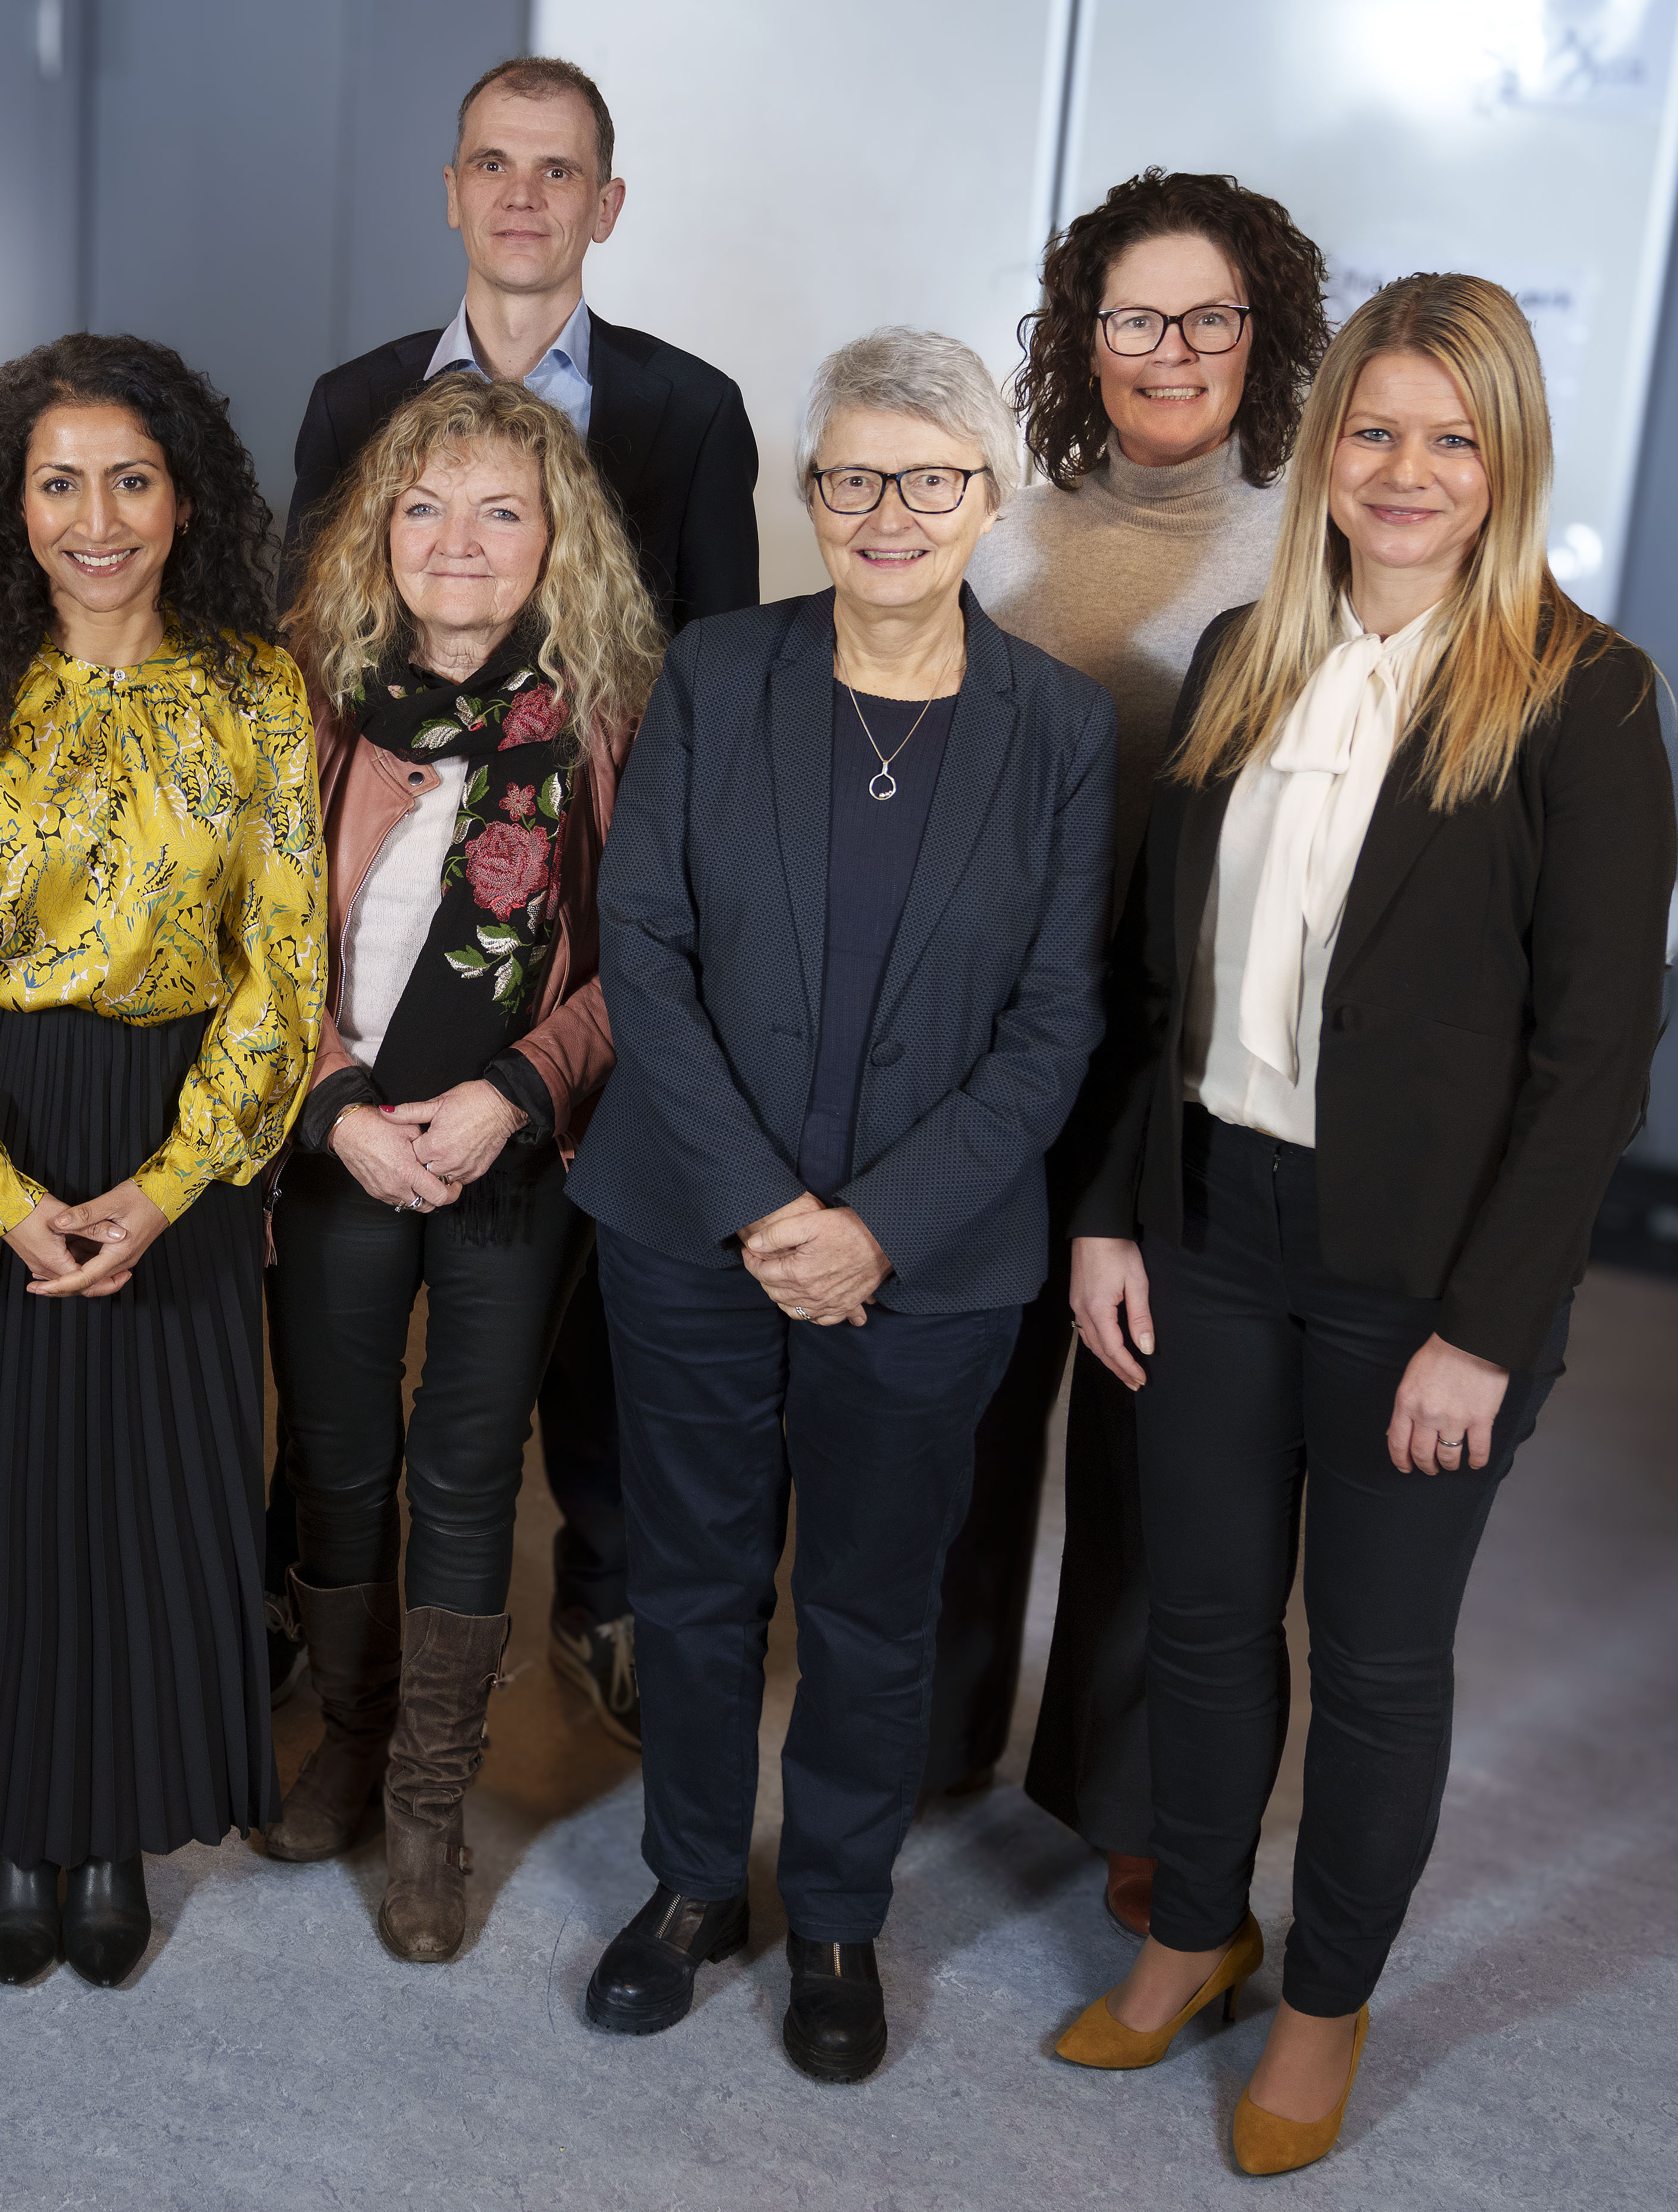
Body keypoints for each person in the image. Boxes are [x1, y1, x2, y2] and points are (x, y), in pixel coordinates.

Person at [1051, 274, 1672, 2178]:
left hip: (1424, 1273)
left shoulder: (1582, 694)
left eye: (1452, 439)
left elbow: (1595, 1058)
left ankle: (1325, 2005)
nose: (1407, 472)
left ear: (1509, 462)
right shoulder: (1247, 653)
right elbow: (1158, 985)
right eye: (1376, 432)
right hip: (1211, 1221)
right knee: (1207, 1617)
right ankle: (1194, 1935)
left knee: (1380, 1665)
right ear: (1326, 450)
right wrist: (1113, 1214)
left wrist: (1487, 1331)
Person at [568, 331, 1114, 2083]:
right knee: (697, 1582)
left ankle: (837, 1917)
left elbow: (1057, 1024)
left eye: (931, 478)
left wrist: (874, 1226)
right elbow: (644, 947)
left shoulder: (1061, 728)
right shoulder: (717, 673)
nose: (891, 512)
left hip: (930, 1264)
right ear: (811, 497)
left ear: (989, 498)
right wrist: (761, 1210)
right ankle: (687, 1890)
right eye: (855, 477)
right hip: (690, 1226)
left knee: (878, 1610)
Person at [279, 51, 761, 1747]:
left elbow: (715, 689)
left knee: (569, 1345)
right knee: (342, 1388)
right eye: (495, 162)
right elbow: (315, 668)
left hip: (583, 923)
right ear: (453, 190)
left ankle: (598, 1598)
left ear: (604, 207)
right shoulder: (353, 403)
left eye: (560, 171)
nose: (524, 195)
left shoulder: (689, 409)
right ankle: (328, 1655)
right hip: (380, 948)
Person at [0, 332, 323, 1989]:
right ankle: (5, 1822)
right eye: (60, 484)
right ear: (13, 504)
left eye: (133, 480)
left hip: (175, 1136)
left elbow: (284, 969)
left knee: (150, 1502)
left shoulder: (257, 690)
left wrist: (178, 1182)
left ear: (187, 500)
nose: (98, 519)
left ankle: (113, 1825)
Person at [928, 170, 1332, 1937]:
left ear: (1265, 335)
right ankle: (930, 1725)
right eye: (1135, 318)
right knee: (961, 1397)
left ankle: (1131, 1804)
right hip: (994, 1034)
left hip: (1189, 1050)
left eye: (1210, 317)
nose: (1172, 352)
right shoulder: (999, 540)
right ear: (1081, 339)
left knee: (1157, 1430)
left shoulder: (1318, 551)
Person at [257, 376, 661, 1963]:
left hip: (514, 1149)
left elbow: (644, 964)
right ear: (379, 532)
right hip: (341, 1139)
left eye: (501, 510)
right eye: (423, 509)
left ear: (557, 536)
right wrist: (335, 1104)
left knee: (470, 1471)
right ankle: (351, 1745)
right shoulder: (310, 703)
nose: (459, 542)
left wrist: (515, 1089)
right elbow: (249, 940)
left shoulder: (607, 719)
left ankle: (430, 1802)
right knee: (339, 1460)